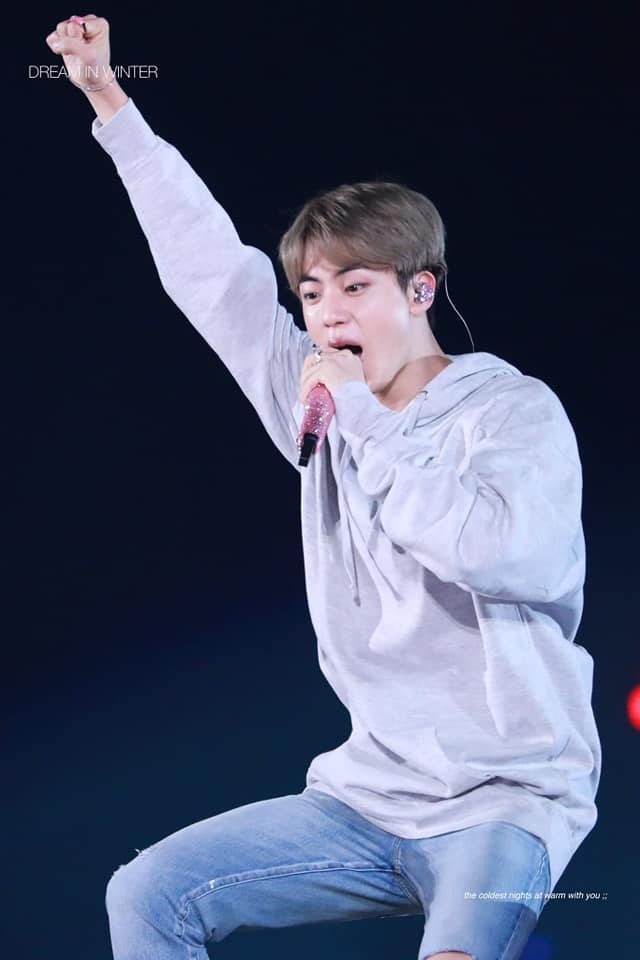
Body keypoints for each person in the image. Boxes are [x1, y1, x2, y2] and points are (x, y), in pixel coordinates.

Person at [45, 14, 601, 960]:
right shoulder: (316, 398)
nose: (327, 314)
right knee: (148, 892)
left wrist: (364, 419)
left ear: (420, 291)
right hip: (366, 799)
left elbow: (500, 555)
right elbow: (213, 276)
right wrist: (108, 99)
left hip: (505, 801)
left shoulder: (510, 412)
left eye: (354, 287)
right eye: (311, 293)